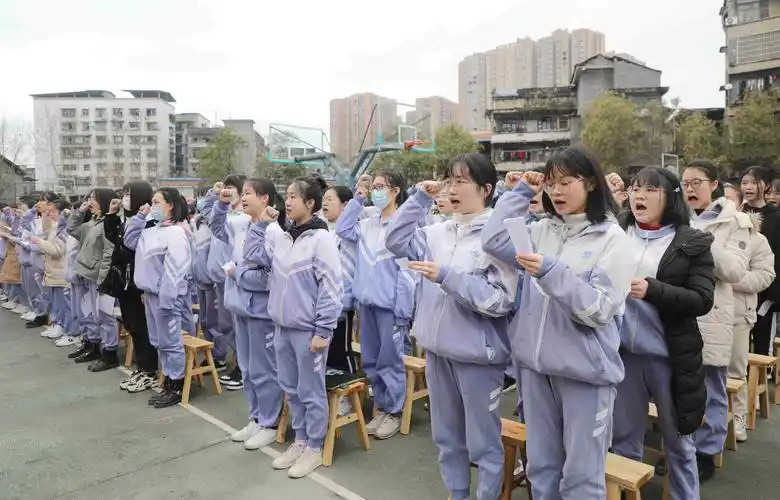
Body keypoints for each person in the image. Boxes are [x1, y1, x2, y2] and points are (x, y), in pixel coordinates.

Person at [482, 145, 636, 499]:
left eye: (566, 182)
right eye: (551, 183)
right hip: (536, 372)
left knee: (581, 477)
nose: (556, 191)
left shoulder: (613, 240)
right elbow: (493, 242)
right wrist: (520, 190)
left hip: (585, 374)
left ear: (592, 184)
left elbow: (598, 309)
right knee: (541, 468)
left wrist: (552, 272)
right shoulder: (542, 231)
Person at [387, 152, 517, 500]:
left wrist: (448, 277)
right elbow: (395, 241)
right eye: (449, 180)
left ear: (486, 189)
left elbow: (501, 300)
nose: (452, 188)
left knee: (484, 444)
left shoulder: (497, 238)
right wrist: (418, 199)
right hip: (437, 350)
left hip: (478, 357)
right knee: (446, 439)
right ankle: (457, 494)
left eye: (462, 181)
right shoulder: (437, 232)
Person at [611, 166, 715, 499]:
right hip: (623, 354)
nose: (639, 196)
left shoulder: (691, 241)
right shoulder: (617, 233)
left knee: (678, 443)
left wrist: (653, 290)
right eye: (635, 188)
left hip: (669, 358)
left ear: (670, 198)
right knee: (624, 439)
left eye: (650, 190)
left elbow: (702, 298)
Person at [246, 175, 342, 478]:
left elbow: (331, 287)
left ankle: (315, 445)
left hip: (307, 331)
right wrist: (263, 224)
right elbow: (253, 256)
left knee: (310, 390)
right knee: (290, 388)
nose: (286, 202)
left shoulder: (321, 239)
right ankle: (300, 439)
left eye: (292, 197)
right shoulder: (284, 236)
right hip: (282, 327)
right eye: (285, 196)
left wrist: (323, 331)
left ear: (309, 204)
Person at [682, 159, 750, 480]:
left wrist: (702, 240)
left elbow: (736, 271)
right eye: (685, 183)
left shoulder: (734, 221)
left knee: (711, 386)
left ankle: (707, 451)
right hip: (678, 312)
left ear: (714, 185)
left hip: (713, 314)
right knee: (678, 385)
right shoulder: (677, 218)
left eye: (697, 182)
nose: (690, 189)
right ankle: (682, 449)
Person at [335, 170, 415, 440]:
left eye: (382, 187)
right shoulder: (368, 223)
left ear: (395, 191)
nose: (376, 191)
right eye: (375, 187)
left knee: (390, 360)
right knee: (371, 359)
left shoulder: (403, 224)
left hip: (390, 307)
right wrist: (358, 196)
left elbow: (408, 272)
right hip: (366, 304)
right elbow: (343, 229)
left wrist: (403, 309)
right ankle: (380, 406)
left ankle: (393, 409)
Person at [211, 178, 285, 450]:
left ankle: (270, 421)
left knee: (265, 369)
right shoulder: (243, 225)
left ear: (265, 199)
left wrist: (238, 274)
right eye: (243, 194)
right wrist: (219, 203)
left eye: (250, 194)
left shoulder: (273, 231)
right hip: (240, 307)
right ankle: (256, 416)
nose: (243, 198)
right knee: (249, 368)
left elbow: (271, 277)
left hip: (261, 312)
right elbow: (216, 226)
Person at [124, 188, 191, 408]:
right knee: (159, 342)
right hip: (150, 294)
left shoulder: (176, 232)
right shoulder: (152, 226)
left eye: (155, 202)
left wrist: (167, 300)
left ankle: (176, 385)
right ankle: (168, 381)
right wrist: (140, 217)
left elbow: (175, 270)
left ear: (169, 205)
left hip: (166, 297)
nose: (150, 206)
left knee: (170, 343)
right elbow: (130, 240)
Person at [103, 181, 158, 393]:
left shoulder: (150, 219)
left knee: (141, 327)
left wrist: (139, 219)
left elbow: (130, 246)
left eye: (129, 193)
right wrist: (111, 215)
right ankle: (143, 368)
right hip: (125, 282)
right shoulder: (130, 219)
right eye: (124, 193)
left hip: (138, 282)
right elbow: (113, 238)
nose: (125, 197)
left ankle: (149, 370)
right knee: (132, 326)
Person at [67, 188, 119, 372]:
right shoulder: (92, 222)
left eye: (94, 199)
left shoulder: (107, 223)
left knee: (105, 315)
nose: (91, 202)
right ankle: (96, 347)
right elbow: (71, 229)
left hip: (99, 276)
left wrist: (104, 279)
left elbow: (108, 253)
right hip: (88, 273)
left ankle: (110, 352)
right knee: (92, 313)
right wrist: (79, 212)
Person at [739, 166, 780, 357]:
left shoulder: (775, 217)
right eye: (744, 182)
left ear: (767, 185)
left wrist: (773, 294)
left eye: (754, 182)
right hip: (737, 284)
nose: (748, 187)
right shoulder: (736, 213)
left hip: (765, 290)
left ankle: (763, 377)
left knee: (762, 338)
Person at [321, 185, 358, 375]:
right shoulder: (321, 228)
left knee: (341, 352)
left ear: (345, 205)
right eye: (324, 199)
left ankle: (351, 394)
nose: (324, 203)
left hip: (343, 301)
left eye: (330, 199)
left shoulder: (351, 230)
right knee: (326, 352)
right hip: (324, 300)